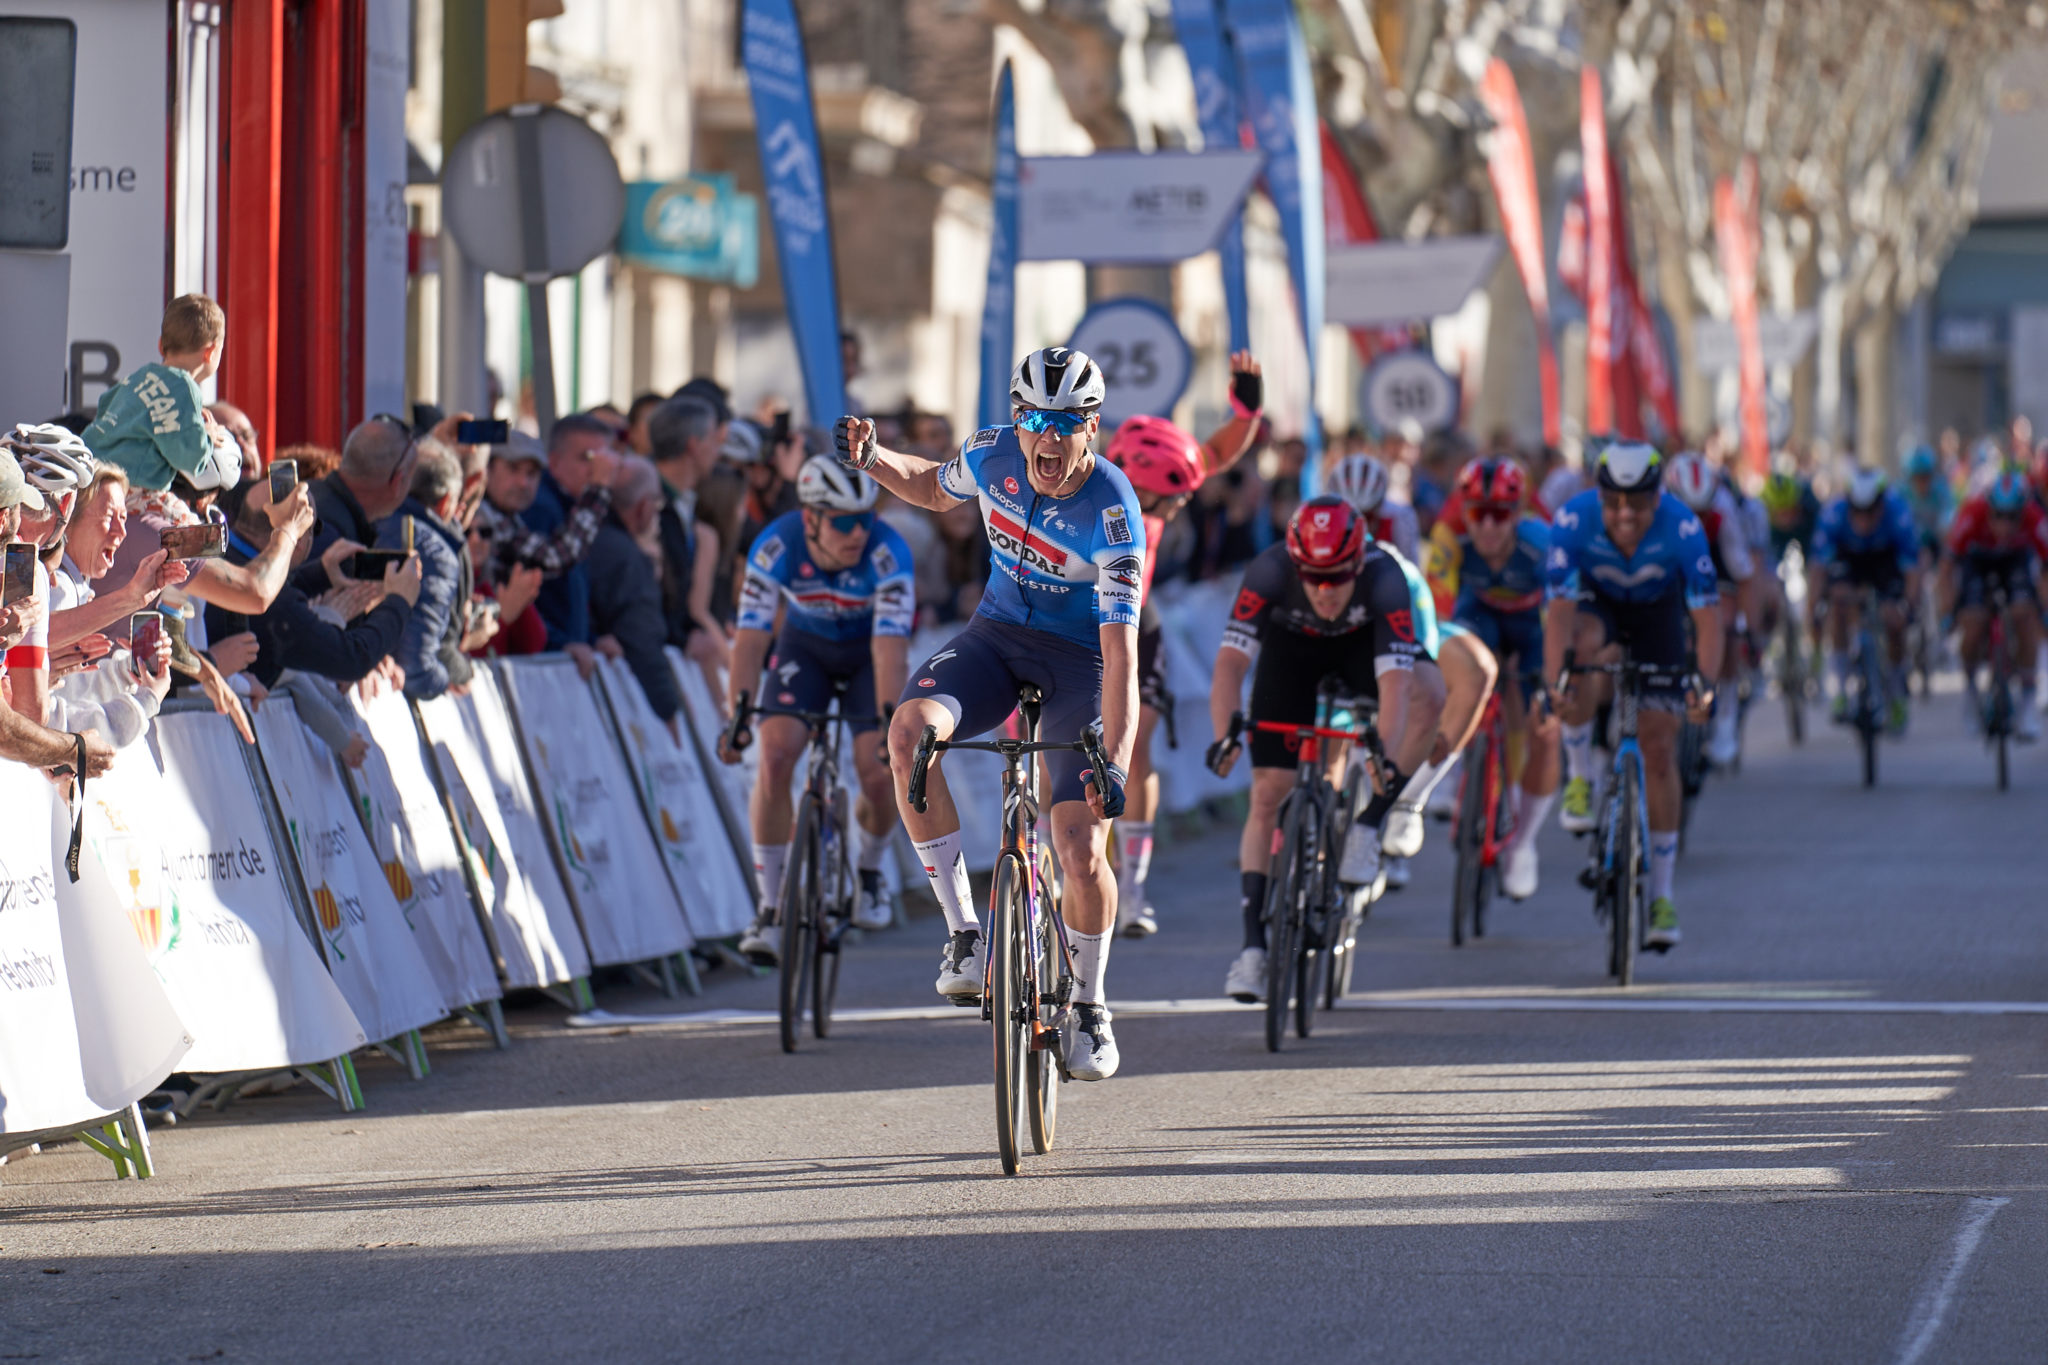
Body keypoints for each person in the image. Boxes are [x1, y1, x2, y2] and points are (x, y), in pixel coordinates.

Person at [841, 346, 1139, 1082]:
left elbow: (1123, 655)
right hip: (997, 642)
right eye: (1034, 418)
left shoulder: (1112, 511)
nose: (1048, 435)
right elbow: (933, 489)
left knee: (1077, 845)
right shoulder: (990, 453)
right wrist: (876, 456)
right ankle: (967, 934)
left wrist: (1118, 758)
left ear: (1091, 426)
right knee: (909, 735)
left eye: (1066, 421)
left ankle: (1093, 1005)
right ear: (1017, 419)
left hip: (1080, 664)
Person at [1205, 497, 1442, 1002]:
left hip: (1364, 648)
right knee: (1268, 793)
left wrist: (1384, 760)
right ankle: (1252, 950)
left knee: (1430, 693)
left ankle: (1370, 823)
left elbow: (1398, 688)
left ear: (1358, 563)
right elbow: (1229, 665)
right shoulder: (1269, 569)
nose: (1325, 589)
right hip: (1293, 652)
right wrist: (1225, 732)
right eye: (1313, 577)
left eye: (1337, 577)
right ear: (1296, 565)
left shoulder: (1385, 578)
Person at [1098, 351, 1264, 938]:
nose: (1184, 506)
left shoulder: (1157, 484)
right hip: (1068, 624)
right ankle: (1052, 869)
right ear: (1140, 491)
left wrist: (1246, 407)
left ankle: (1135, 887)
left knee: (1136, 749)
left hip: (1135, 622)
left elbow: (1214, 454)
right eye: (1174, 499)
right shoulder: (1087, 494)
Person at [723, 456, 914, 956]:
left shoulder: (888, 553)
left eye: (865, 519)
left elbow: (891, 650)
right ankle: (769, 910)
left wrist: (888, 724)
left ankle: (869, 872)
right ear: (810, 518)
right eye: (844, 522)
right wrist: (737, 716)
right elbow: (749, 639)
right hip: (803, 650)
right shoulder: (775, 546)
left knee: (877, 772)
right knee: (776, 753)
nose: (858, 532)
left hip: (867, 655)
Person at [1543, 440, 1723, 950]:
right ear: (1598, 496)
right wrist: (1555, 679)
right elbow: (1557, 615)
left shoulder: (1683, 528)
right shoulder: (1573, 521)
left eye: (1638, 503)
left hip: (1657, 613)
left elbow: (1710, 622)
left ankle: (1663, 897)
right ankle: (1580, 777)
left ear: (1657, 496)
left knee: (1660, 751)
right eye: (1614, 501)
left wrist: (1704, 687)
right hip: (1595, 606)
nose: (1625, 514)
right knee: (1579, 654)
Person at [1442, 457, 1558, 899]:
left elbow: (1560, 617)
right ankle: (1455, 780)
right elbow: (1433, 607)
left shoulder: (1540, 545)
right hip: (1480, 615)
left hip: (1533, 625)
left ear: (1518, 515)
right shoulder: (1448, 537)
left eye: (1500, 516)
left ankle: (1523, 845)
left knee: (1545, 727)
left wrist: (1548, 678)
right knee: (1455, 672)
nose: (1488, 527)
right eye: (1478, 515)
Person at [79, 295, 243, 498]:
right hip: (133, 492)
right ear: (210, 352)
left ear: (160, 345)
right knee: (186, 524)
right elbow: (190, 457)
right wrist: (206, 434)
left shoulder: (139, 377)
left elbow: (104, 406)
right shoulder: (185, 388)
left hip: (91, 478)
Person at [1665, 450, 1763, 761]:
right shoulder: (1657, 507)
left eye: (1702, 513)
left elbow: (1743, 575)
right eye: (1688, 512)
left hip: (1714, 564)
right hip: (1670, 564)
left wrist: (1748, 631)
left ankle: (1725, 721)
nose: (1695, 521)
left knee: (1726, 627)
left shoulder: (1723, 509)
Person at [1809, 466, 1921, 733]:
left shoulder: (1898, 513)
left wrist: (1909, 609)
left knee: (1895, 621)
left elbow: (1913, 572)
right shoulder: (1833, 515)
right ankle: (1841, 689)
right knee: (1838, 605)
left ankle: (1896, 692)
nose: (1863, 518)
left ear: (1882, 503)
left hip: (1886, 559)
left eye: (1870, 511)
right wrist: (1814, 609)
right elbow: (1817, 570)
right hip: (1849, 559)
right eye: (1857, 511)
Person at [1942, 469, 2046, 738]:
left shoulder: (2035, 519)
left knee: (2026, 616)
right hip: (1978, 563)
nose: (2005, 525)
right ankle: (1971, 690)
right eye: (1998, 516)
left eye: (2013, 518)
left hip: (2015, 562)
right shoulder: (1971, 514)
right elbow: (1947, 566)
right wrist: (1948, 610)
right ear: (1988, 510)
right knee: (1973, 622)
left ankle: (2027, 703)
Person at [584, 457, 685, 724]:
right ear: (643, 506)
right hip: (605, 709)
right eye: (657, 504)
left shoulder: (585, 531)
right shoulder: (624, 556)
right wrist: (668, 712)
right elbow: (641, 635)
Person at [379, 442, 477, 701]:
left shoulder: (367, 519)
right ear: (446, 502)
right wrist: (450, 679)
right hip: (384, 700)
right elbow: (415, 667)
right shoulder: (437, 554)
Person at [647, 396, 729, 668]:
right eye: (713, 441)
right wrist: (681, 638)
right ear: (693, 446)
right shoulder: (647, 501)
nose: (718, 451)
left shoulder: (682, 504)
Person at [1324, 452, 1420, 561]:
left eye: (1367, 515)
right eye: (1350, 516)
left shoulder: (1399, 517)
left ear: (1380, 505)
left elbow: (1410, 566)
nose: (1359, 524)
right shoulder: (1326, 517)